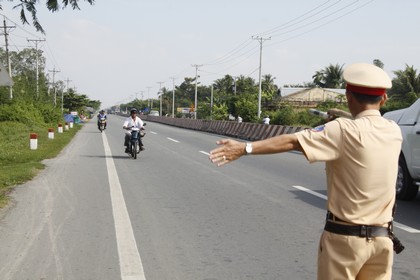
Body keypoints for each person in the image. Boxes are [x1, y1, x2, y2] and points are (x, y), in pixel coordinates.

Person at [209, 63, 403, 280]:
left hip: (346, 241)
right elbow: (365, 128)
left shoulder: (340, 129)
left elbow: (293, 141)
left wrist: (244, 148)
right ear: (384, 99)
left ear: (348, 96)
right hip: (383, 240)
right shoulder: (393, 130)